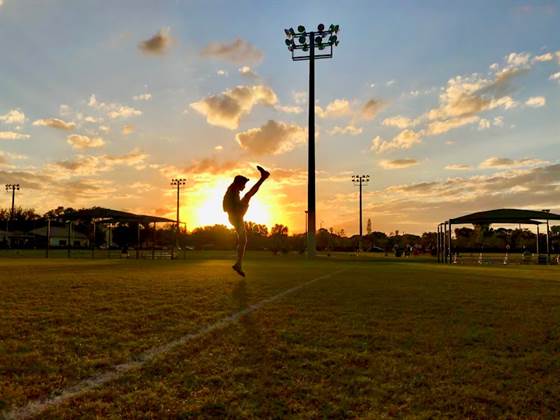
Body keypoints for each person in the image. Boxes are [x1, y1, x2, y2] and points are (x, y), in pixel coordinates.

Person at [223, 165, 270, 277]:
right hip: (236, 215)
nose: (244, 186)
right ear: (239, 184)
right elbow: (235, 190)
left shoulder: (233, 188)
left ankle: (238, 264)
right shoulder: (233, 188)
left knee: (243, 240)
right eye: (243, 184)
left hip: (235, 216)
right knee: (248, 195)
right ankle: (264, 177)